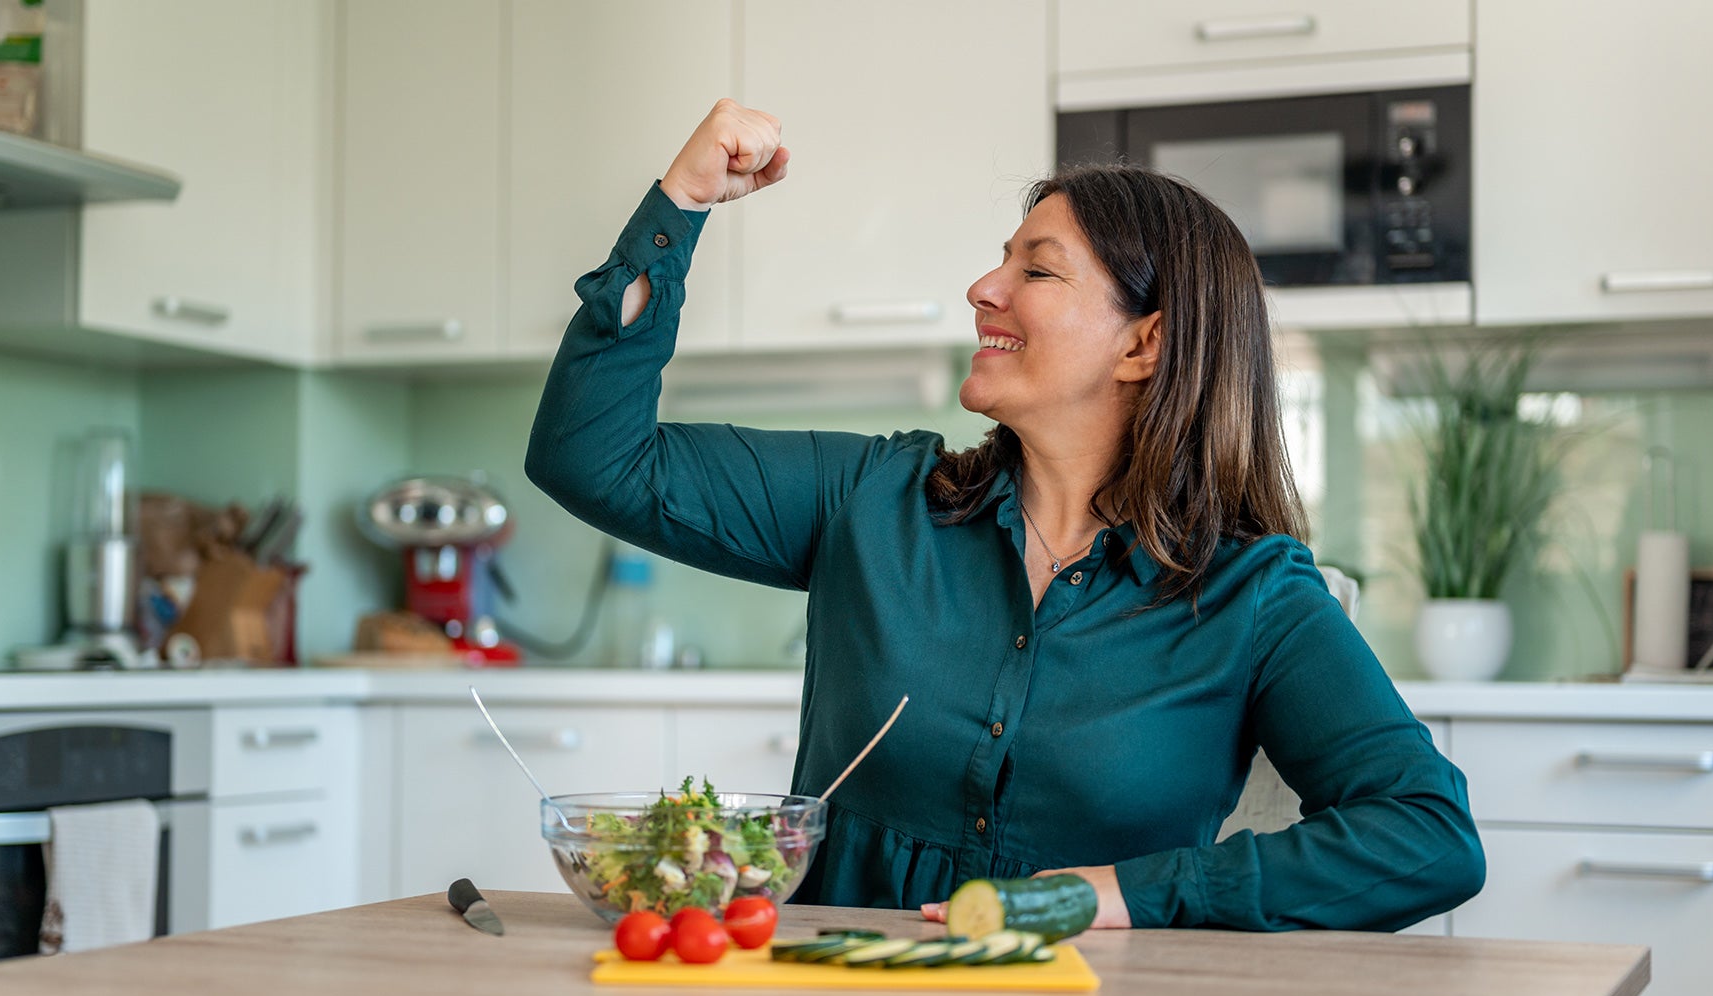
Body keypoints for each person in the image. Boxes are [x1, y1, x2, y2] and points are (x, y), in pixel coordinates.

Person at [526, 99, 1485, 931]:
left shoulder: (1252, 595)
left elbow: (1430, 835)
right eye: (1001, 262)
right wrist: (679, 207)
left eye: (1039, 270)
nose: (984, 289)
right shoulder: (870, 498)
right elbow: (590, 457)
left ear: (1145, 345)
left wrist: (1125, 896)